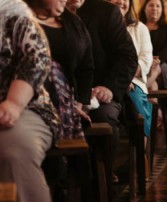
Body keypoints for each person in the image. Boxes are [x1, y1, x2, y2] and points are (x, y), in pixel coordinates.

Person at [0, 0, 61, 202]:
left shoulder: (14, 12)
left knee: (13, 151)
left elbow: (37, 58)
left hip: (25, 106)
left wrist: (13, 102)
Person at [67, 0, 138, 183]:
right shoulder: (43, 12)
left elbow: (128, 57)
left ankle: (101, 182)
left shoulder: (106, 12)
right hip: (62, 93)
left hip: (100, 91)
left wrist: (109, 87)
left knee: (104, 116)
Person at [26, 0, 93, 140]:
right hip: (25, 102)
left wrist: (77, 106)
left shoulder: (73, 22)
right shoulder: (15, 18)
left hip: (67, 104)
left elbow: (86, 67)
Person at [109, 0, 153, 141]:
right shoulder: (100, 24)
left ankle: (141, 156)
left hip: (134, 82)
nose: (120, 1)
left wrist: (124, 79)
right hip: (105, 82)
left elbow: (145, 62)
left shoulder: (139, 28)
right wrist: (118, 81)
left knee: (135, 105)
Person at [140, 0, 167, 90]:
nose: (155, 8)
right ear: (144, 8)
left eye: (158, 6)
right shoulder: (138, 26)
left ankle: (139, 91)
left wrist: (155, 61)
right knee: (153, 85)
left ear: (162, 9)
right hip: (143, 66)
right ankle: (154, 103)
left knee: (155, 69)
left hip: (165, 66)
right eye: (151, 5)